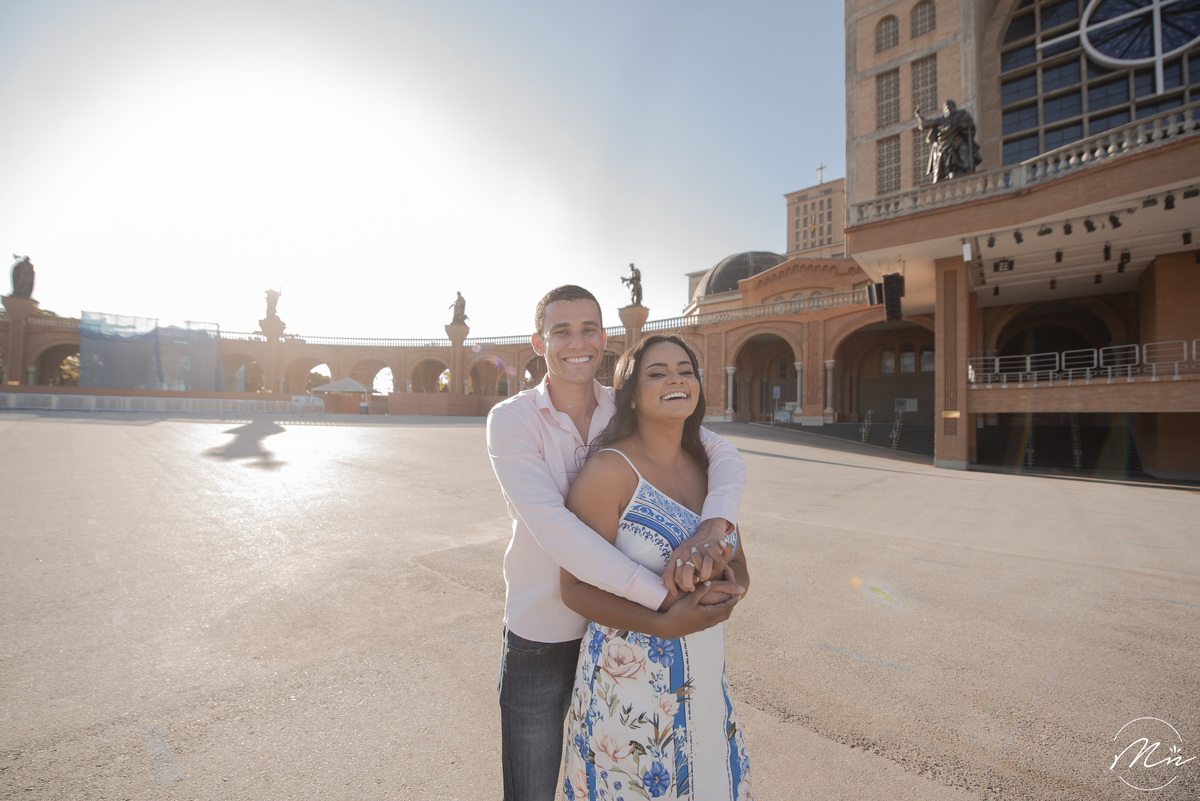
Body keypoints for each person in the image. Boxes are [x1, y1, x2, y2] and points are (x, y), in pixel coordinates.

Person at [487, 285, 747, 801]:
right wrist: (663, 601)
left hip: (615, 640)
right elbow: (555, 529)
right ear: (539, 343)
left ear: (604, 339)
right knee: (531, 787)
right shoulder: (512, 420)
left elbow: (720, 451)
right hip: (544, 629)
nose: (576, 342)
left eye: (588, 330)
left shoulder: (623, 406)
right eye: (561, 331)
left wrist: (715, 524)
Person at [559, 334, 751, 800]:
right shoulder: (610, 471)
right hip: (626, 692)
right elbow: (573, 588)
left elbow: (741, 567)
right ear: (631, 393)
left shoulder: (708, 471)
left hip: (706, 678)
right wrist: (663, 624)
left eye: (685, 370)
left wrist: (726, 589)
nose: (676, 380)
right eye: (657, 372)